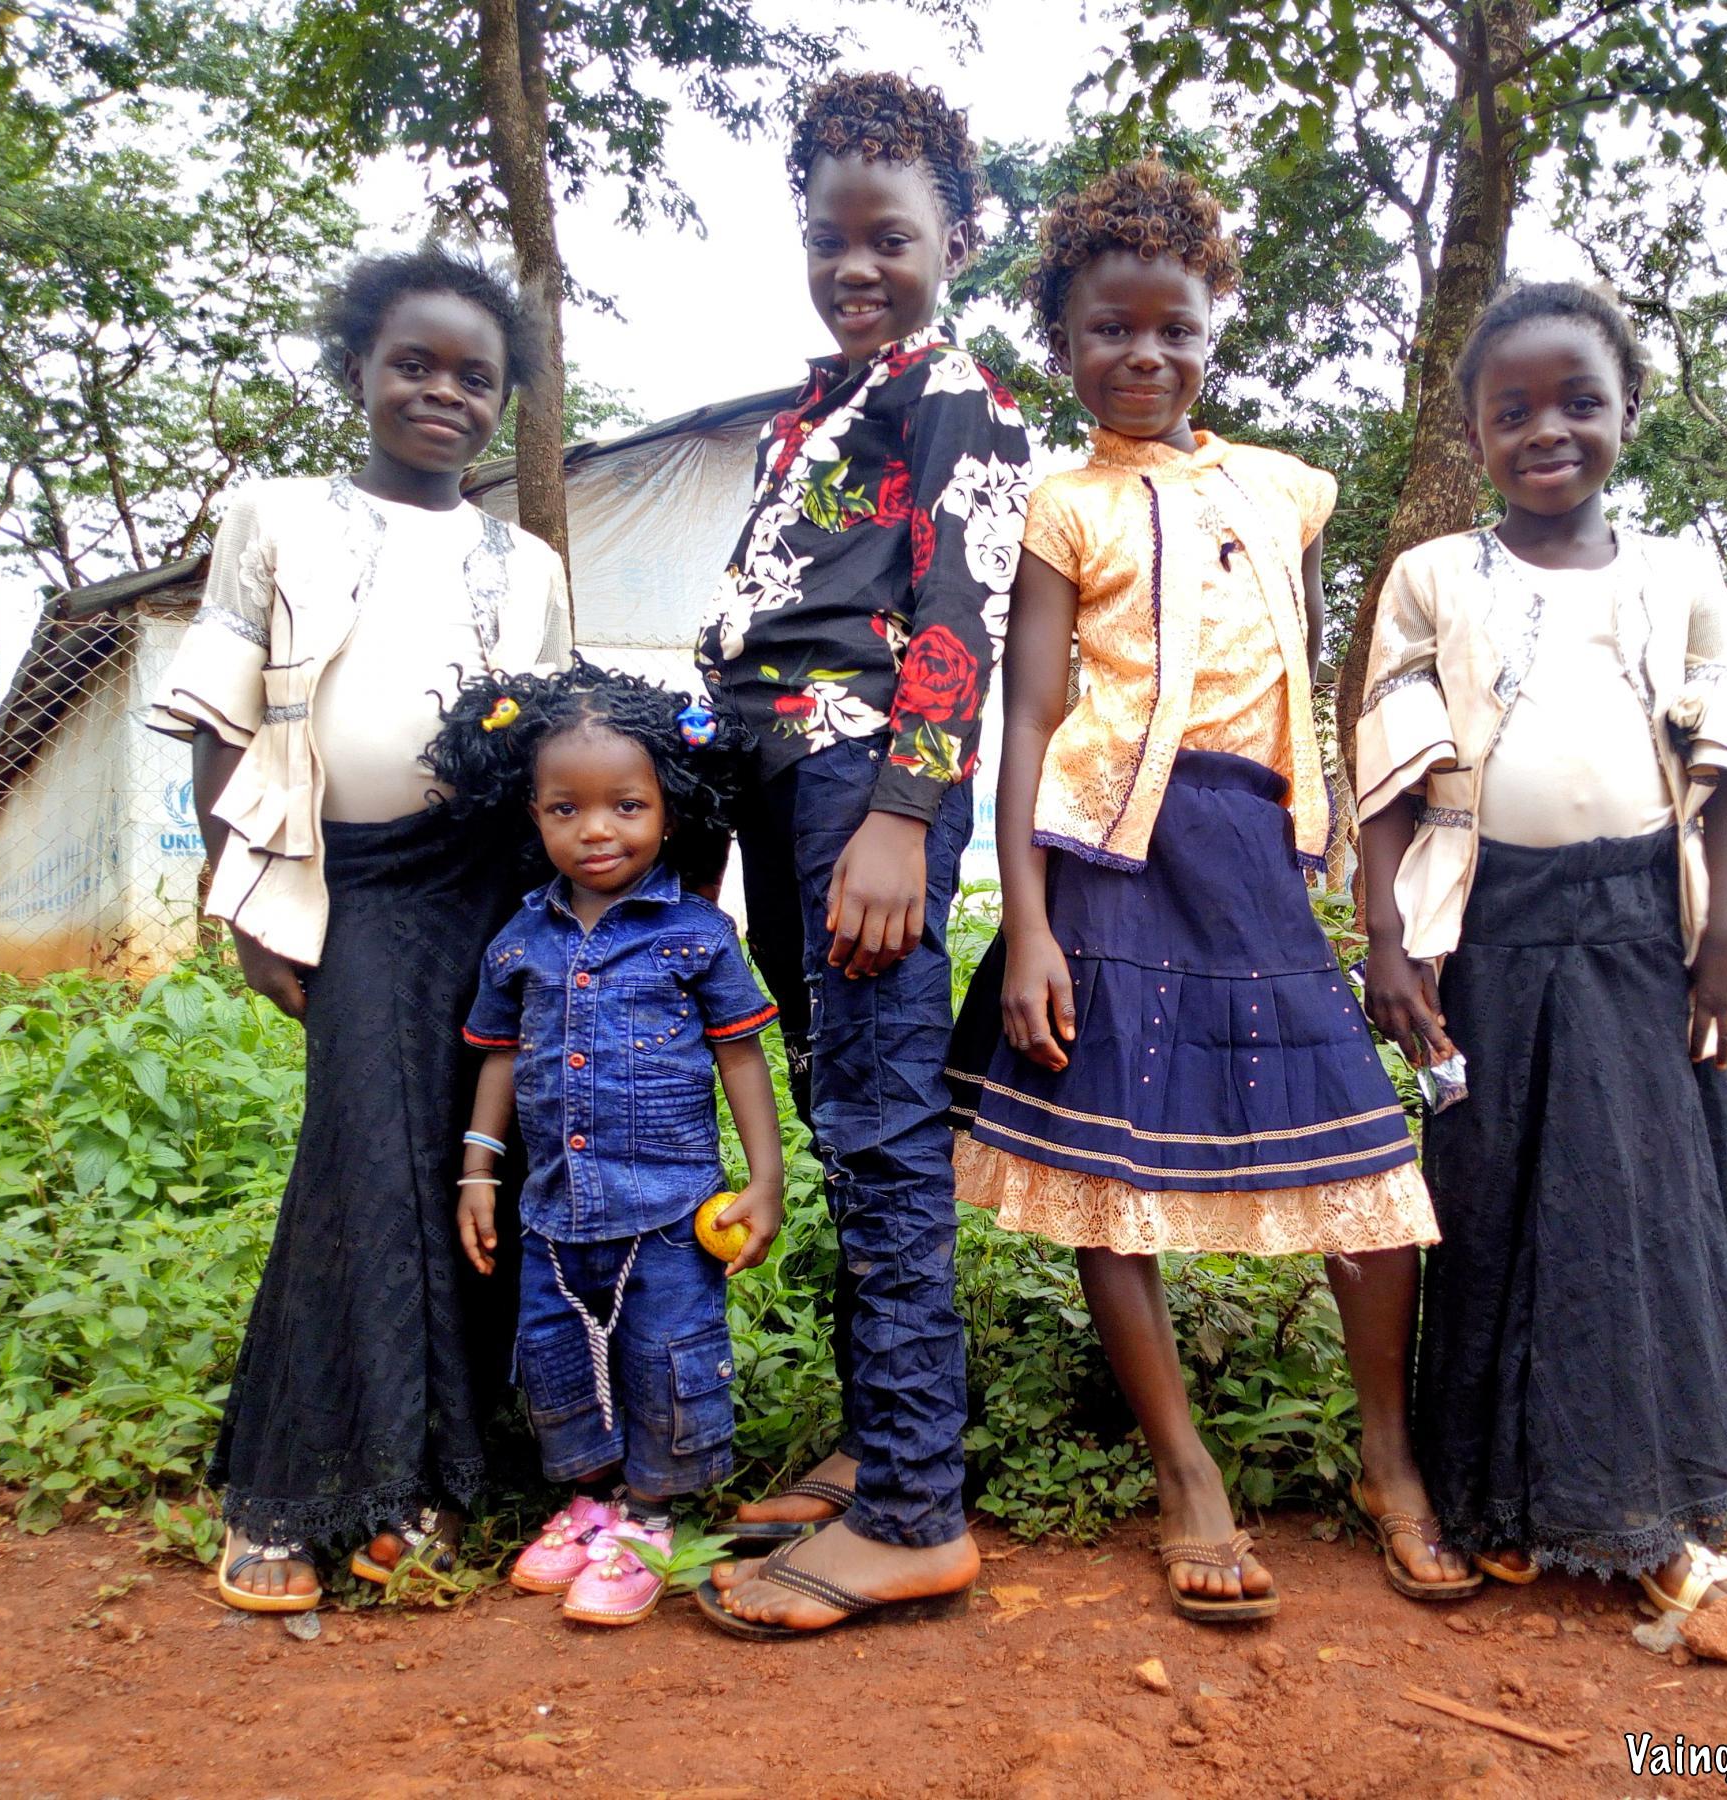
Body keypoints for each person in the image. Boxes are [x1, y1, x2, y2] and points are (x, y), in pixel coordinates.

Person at [948, 161, 1450, 1624]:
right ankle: (1188, 1476)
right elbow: (1031, 716)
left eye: (1174, 327)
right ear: (1065, 341)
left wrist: (1337, 855)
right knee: (1116, 1179)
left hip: (1253, 850)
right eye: (1111, 330)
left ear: (1214, 327)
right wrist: (1027, 925)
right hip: (1111, 859)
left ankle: (1391, 1463)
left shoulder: (1286, 490)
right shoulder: (1065, 506)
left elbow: (1309, 671)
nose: (1145, 356)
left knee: (1366, 1174)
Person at [1354, 279, 1727, 1621]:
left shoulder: (1678, 578)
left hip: (1639, 934)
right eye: (1511, 412)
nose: (1545, 429)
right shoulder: (1435, 579)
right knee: (1489, 1201)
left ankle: (1645, 1505)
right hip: (1484, 932)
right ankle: (1500, 1497)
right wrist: (1389, 941)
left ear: (1628, 412)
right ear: (1474, 435)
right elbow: (1388, 775)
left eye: (1578, 402)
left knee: (1631, 1208)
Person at [148, 247, 572, 1613]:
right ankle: (291, 1492)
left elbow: (551, 740)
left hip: (491, 881)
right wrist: (244, 891)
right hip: (356, 883)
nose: (444, 393)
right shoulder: (278, 516)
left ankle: (434, 1485)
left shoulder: (528, 561)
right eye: (414, 365)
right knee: (364, 1164)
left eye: (475, 377)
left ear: (503, 402)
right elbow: (220, 719)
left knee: (479, 1160)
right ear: (358, 373)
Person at [695, 70, 1032, 1639]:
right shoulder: (816, 407)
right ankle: (881, 1445)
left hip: (862, 783)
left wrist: (903, 814)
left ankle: (913, 1511)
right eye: (829, 239)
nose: (855, 265)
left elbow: (964, 610)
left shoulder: (957, 392)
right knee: (849, 1112)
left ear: (955, 242)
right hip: (778, 779)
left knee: (884, 1126)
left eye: (889, 238)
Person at [433, 665, 784, 1628]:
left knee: (665, 1356)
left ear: (670, 809)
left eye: (626, 806)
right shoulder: (518, 943)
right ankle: (592, 1504)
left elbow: (741, 1056)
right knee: (557, 1355)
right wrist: (477, 1171)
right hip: (552, 1209)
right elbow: (499, 1059)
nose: (596, 830)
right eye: (566, 809)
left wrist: (766, 1178)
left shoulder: (698, 936)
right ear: (534, 814)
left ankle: (651, 1519)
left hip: (669, 1210)